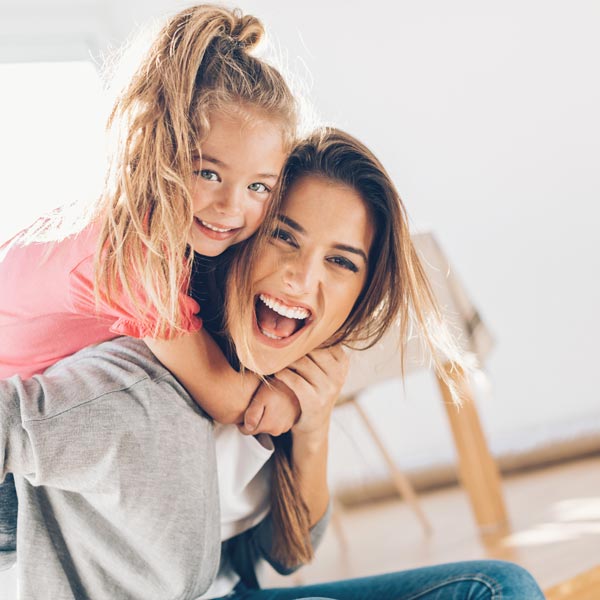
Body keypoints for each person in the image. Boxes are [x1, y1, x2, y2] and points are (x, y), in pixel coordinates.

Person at [0, 129, 545, 599]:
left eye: (340, 261)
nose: (302, 279)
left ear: (360, 294)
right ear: (240, 237)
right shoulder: (136, 382)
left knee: (499, 590)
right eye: (284, 237)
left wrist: (312, 430)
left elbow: (286, 553)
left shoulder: (281, 379)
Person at [0, 4, 304, 567]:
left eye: (260, 187)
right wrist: (295, 396)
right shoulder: (135, 251)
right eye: (207, 172)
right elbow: (222, 398)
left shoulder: (132, 223)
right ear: (157, 149)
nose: (230, 207)